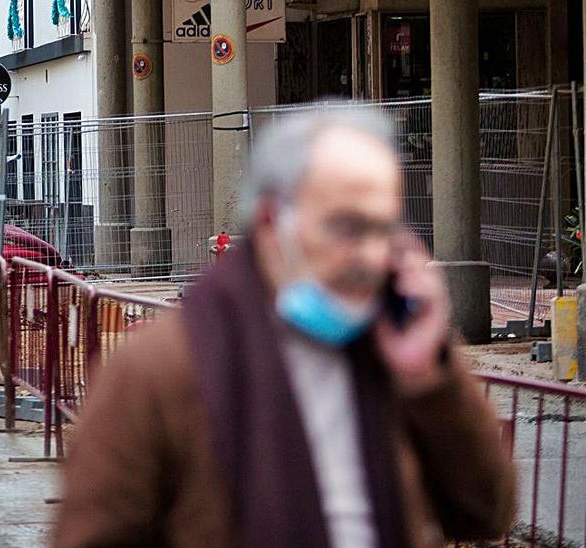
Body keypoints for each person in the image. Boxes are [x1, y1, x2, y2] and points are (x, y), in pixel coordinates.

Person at [53, 108, 515, 548]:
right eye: (346, 226)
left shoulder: (392, 352)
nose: (371, 256)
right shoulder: (159, 369)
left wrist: (429, 376)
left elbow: (485, 512)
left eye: (383, 229)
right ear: (274, 222)